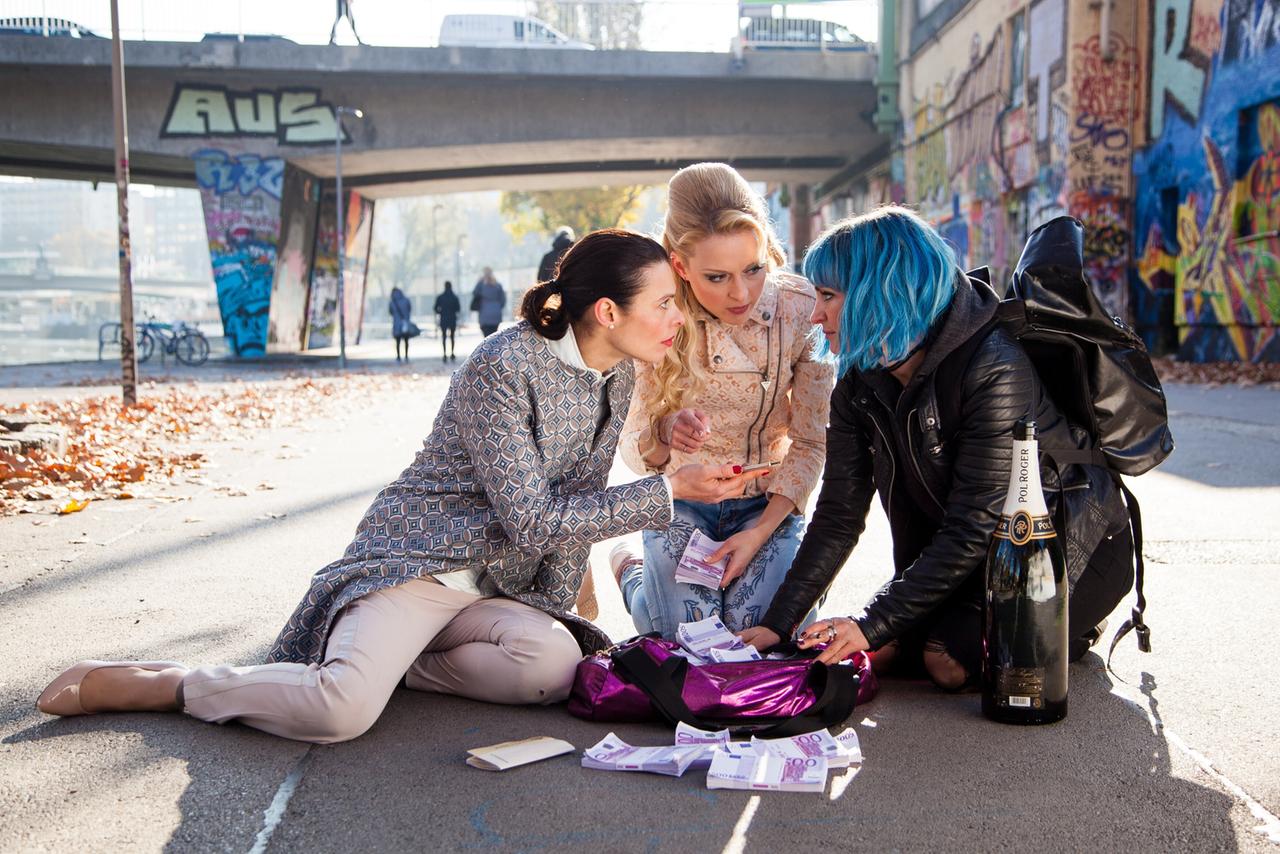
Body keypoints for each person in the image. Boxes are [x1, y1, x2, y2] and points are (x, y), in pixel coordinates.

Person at [35, 229, 765, 744]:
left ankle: (394, 663)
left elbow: (575, 494)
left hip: (493, 591)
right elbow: (537, 518)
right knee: (337, 714)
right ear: (610, 311)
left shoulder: (619, 371)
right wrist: (668, 488)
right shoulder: (502, 366)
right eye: (666, 302)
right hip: (416, 567)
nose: (679, 315)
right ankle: (172, 684)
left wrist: (665, 447)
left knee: (552, 669)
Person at [738, 207, 1135, 692]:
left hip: (1064, 557)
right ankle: (962, 621)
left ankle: (1065, 631)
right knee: (872, 652)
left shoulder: (994, 368)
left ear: (878, 291)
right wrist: (780, 624)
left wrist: (870, 622)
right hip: (971, 559)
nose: (815, 313)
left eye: (828, 296)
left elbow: (974, 523)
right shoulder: (861, 381)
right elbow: (839, 513)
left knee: (943, 661)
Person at [612, 162, 834, 639]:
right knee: (694, 640)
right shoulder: (653, 316)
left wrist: (760, 532)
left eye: (753, 269)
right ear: (680, 267)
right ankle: (634, 576)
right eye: (717, 277)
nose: (741, 293)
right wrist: (665, 434)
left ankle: (785, 576)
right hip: (682, 505)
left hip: (766, 506)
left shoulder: (800, 309)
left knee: (761, 634)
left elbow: (812, 444)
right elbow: (632, 450)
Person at [472, 268, 506, 337]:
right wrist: (498, 307)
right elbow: (503, 300)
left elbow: (475, 293)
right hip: (496, 314)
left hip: (484, 314)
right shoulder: (498, 285)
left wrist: (479, 281)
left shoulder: (481, 285)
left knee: (486, 337)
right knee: (494, 335)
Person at [434, 280, 461, 362]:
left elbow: (435, 308)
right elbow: (458, 308)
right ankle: (452, 353)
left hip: (444, 319)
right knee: (452, 337)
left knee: (444, 337)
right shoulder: (454, 297)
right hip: (452, 318)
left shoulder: (440, 297)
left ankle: (445, 354)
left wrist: (441, 312)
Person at [389, 286, 414, 363]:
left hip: (396, 324)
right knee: (406, 341)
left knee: (398, 341)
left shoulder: (392, 302)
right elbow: (410, 309)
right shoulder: (406, 300)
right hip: (405, 323)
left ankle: (398, 357)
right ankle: (406, 356)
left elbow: (390, 312)